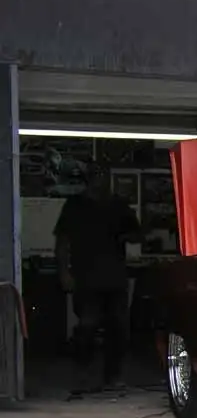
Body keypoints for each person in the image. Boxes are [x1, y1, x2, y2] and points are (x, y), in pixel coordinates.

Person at [53, 164, 142, 393]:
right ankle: (82, 374)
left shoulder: (118, 205)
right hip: (86, 277)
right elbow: (62, 241)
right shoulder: (75, 206)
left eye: (105, 176)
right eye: (97, 176)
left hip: (115, 277)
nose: (101, 181)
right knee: (87, 326)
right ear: (88, 179)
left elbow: (137, 234)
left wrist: (126, 236)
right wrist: (64, 272)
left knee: (118, 328)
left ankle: (113, 376)